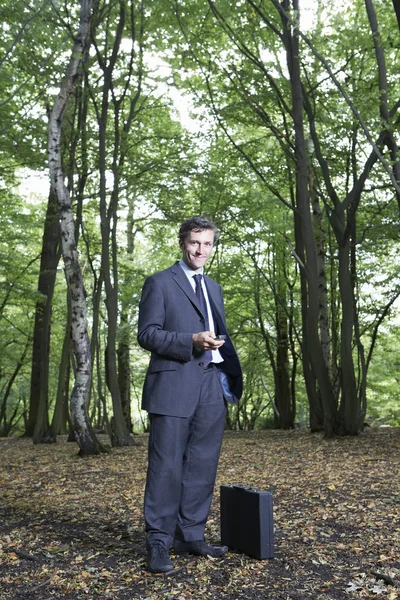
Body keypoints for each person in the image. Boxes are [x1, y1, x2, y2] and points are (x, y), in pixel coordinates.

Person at [137, 215, 243, 574]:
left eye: (207, 244)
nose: (201, 249)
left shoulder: (213, 287)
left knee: (202, 464)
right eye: (195, 242)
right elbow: (147, 334)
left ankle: (190, 535)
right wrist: (190, 341)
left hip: (211, 384)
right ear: (182, 243)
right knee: (166, 467)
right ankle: (159, 541)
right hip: (172, 385)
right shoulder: (159, 283)